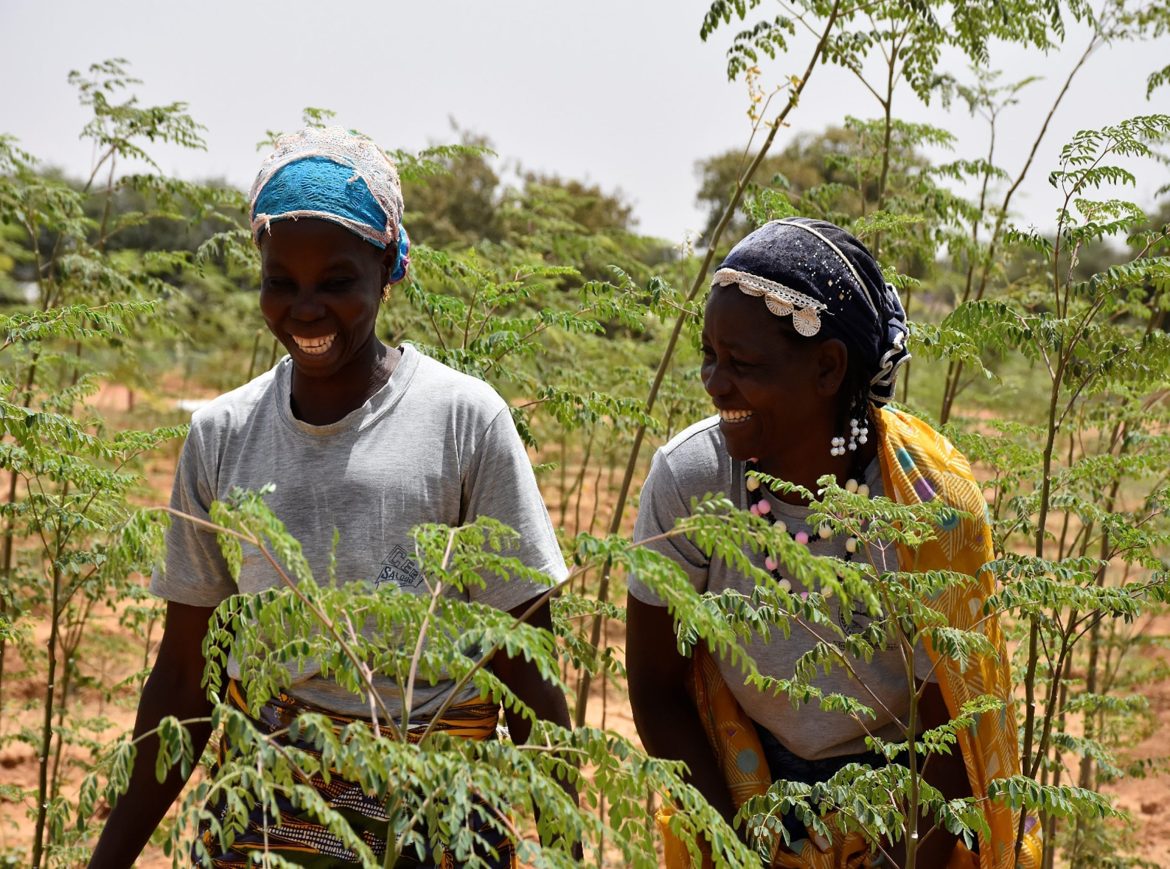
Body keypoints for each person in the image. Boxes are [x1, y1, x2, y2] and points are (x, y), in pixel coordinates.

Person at [88, 127, 572, 868]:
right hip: (276, 806)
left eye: (336, 281)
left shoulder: (464, 420)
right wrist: (109, 857)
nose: (305, 309)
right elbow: (188, 674)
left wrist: (564, 845)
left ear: (388, 267)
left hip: (438, 806)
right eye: (281, 281)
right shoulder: (221, 435)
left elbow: (527, 661)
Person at [627, 219, 1030, 868]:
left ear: (827, 367)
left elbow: (949, 728)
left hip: (901, 786)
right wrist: (737, 849)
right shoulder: (691, 479)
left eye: (743, 363)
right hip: (740, 776)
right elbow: (656, 688)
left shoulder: (929, 508)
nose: (714, 382)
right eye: (709, 355)